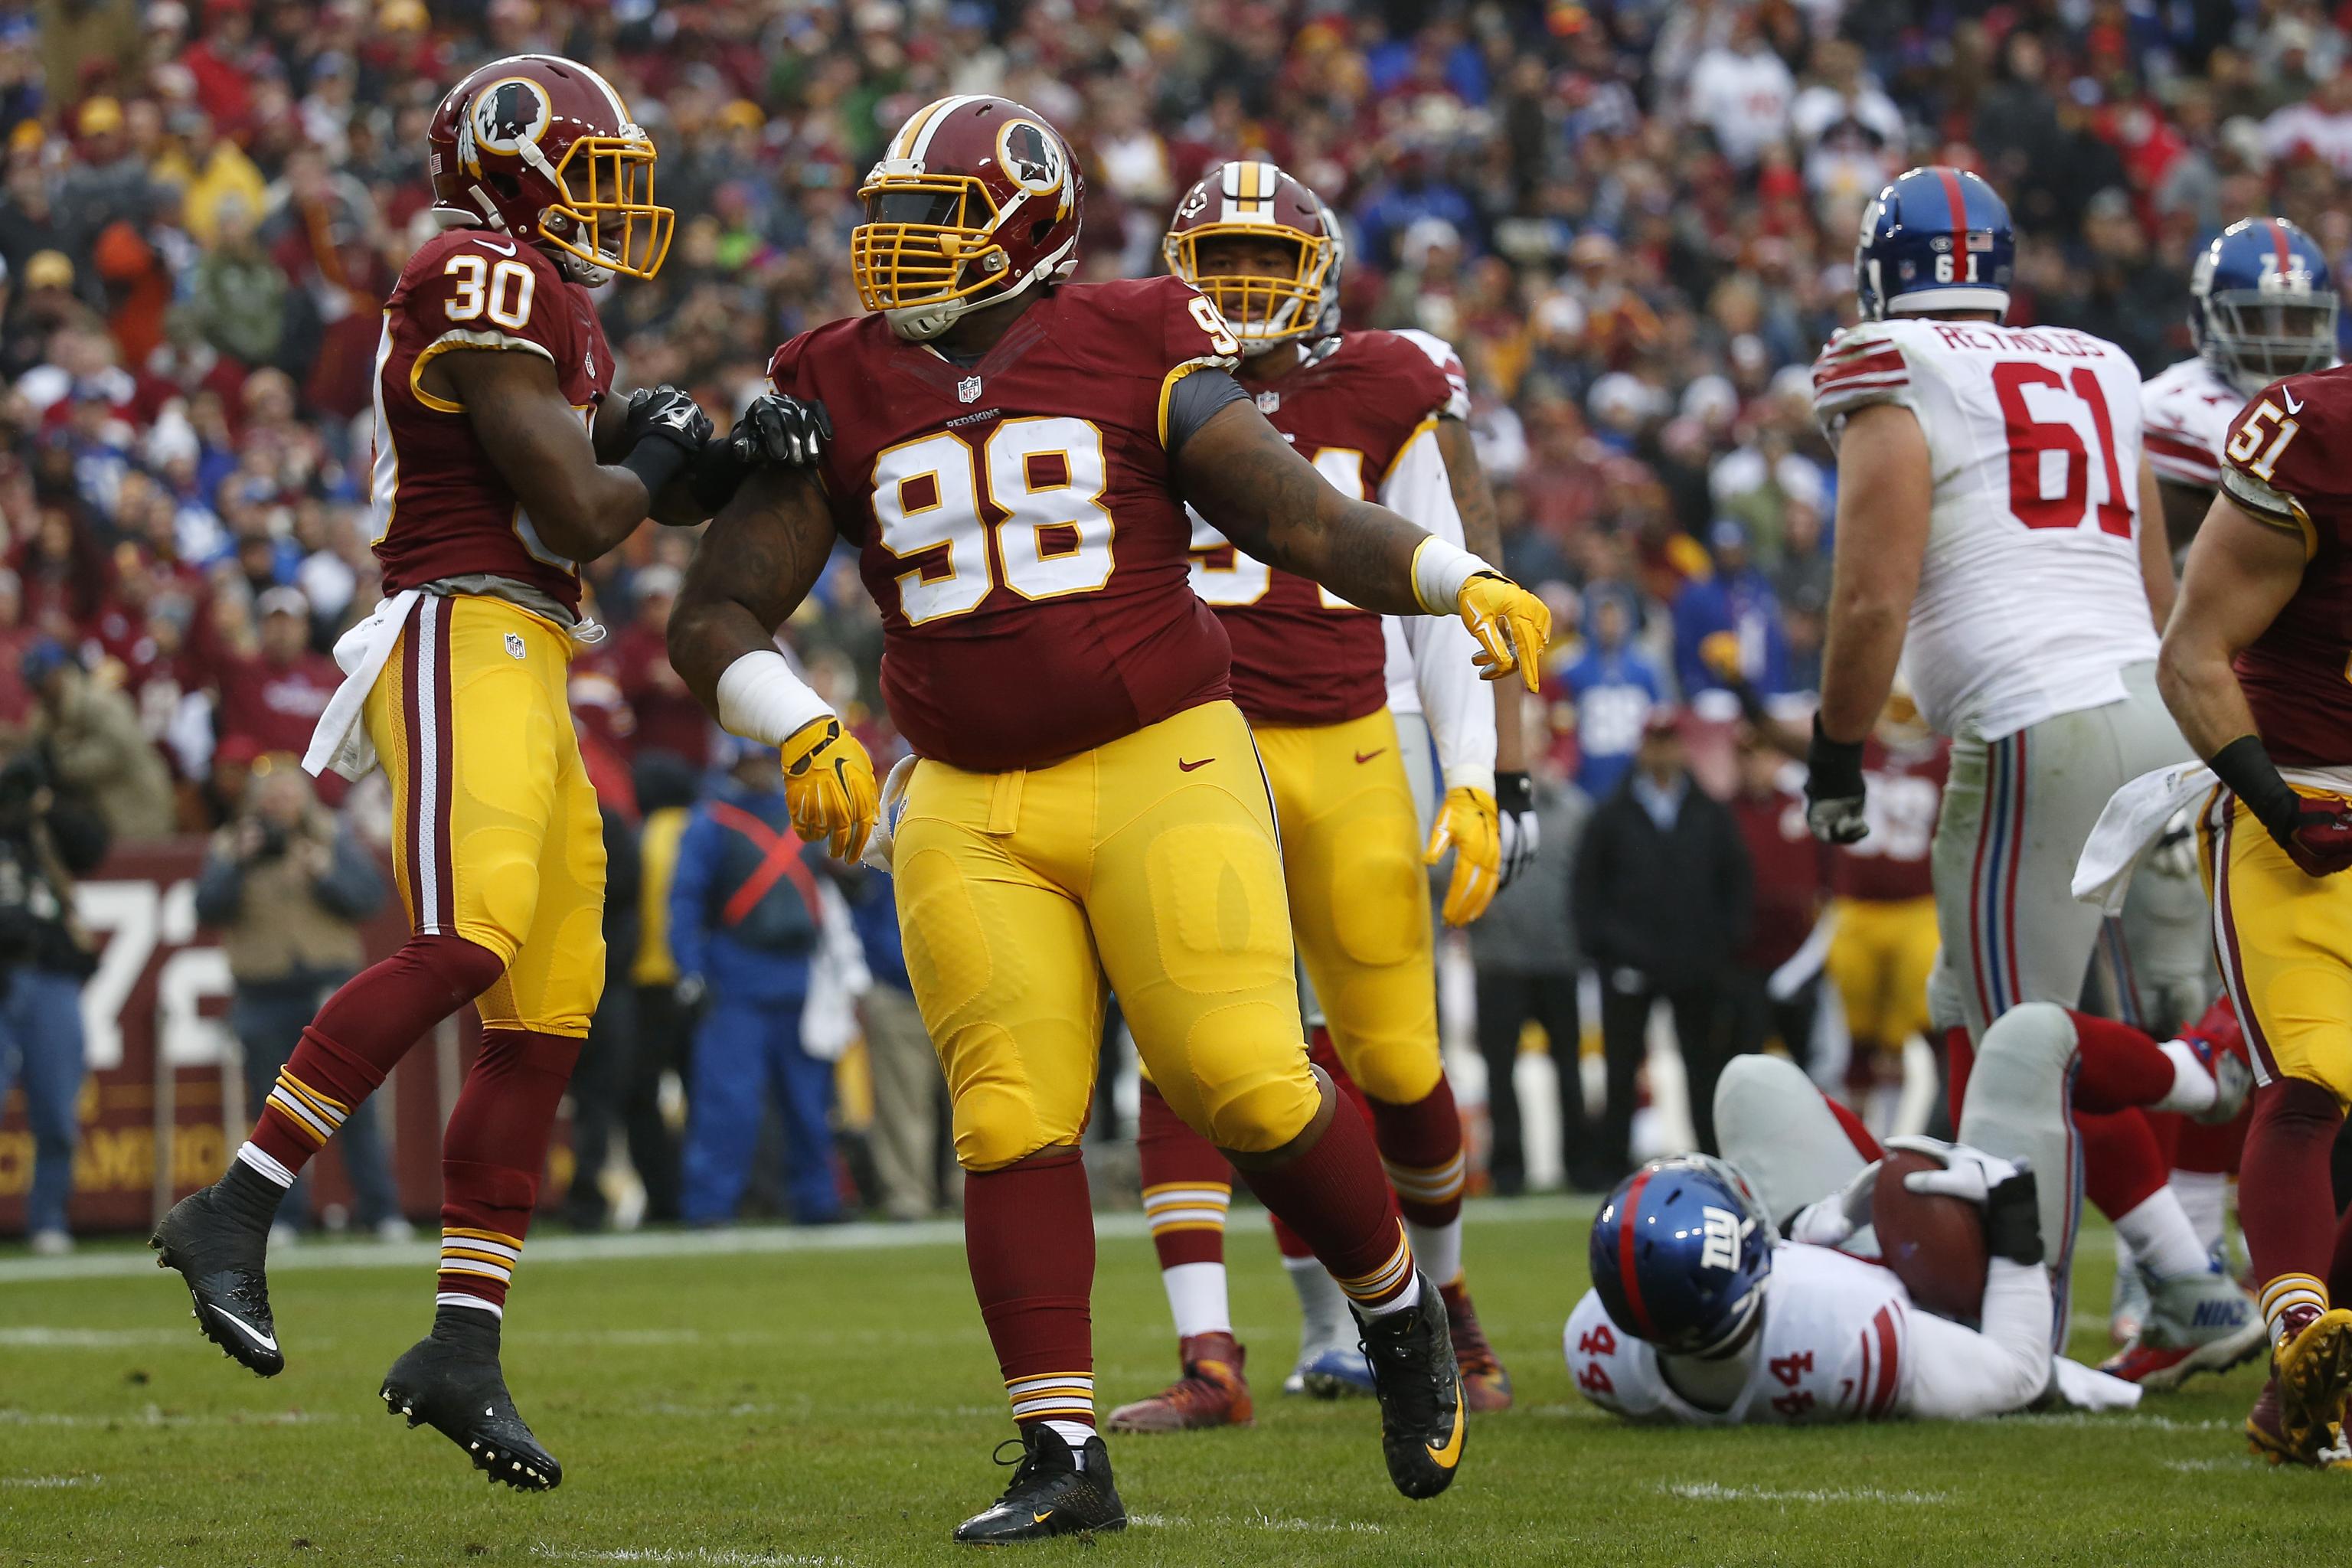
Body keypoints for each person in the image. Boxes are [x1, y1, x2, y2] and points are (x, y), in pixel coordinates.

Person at [665, 95, 1550, 1542]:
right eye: (884, 220)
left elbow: (1296, 517)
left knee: (1251, 1082)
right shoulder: (834, 375)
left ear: (1024, 230)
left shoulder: (1138, 332)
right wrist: (795, 713)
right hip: (964, 793)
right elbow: (719, 607)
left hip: (1161, 757)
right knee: (1010, 1114)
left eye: (929, 224)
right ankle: (1061, 1448)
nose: (891, 251)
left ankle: (1399, 1317)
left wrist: (1453, 582)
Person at [149, 54, 821, 1491]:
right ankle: (239, 1200)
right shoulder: (474, 270)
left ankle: (461, 1342)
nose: (613, 204)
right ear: (509, 167)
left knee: (550, 1010)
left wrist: (739, 456)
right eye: (588, 170)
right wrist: (664, 449)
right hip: (457, 632)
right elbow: (581, 498)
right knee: (466, 937)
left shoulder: (545, 300)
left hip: (530, 651)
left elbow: (615, 485)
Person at [1111, 162, 1512, 1436]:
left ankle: (1443, 1303)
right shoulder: (1129, 368)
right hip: (1191, 735)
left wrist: (1476, 775)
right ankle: (1207, 1351)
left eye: (1261, 261)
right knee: (1183, 1049)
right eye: (1214, 259)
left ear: (1320, 272)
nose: (1236, 285)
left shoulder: (1391, 376)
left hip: (1351, 734)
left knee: (1391, 1057)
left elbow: (1457, 591)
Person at [1802, 168, 2200, 1065]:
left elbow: (1871, 601)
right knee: (2148, 1016)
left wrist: (1835, 756)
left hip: (2037, 720)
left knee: (2010, 1047)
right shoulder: (2103, 363)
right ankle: (2173, 1209)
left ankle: (2029, 1205)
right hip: (2159, 713)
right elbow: (2157, 593)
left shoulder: (1895, 360)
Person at [1566, 988, 2255, 1429]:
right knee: (2032, 1041)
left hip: (1826, 1272)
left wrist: (1816, 1227)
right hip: (1971, 1303)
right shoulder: (1854, 1337)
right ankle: (2200, 1078)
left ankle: (2188, 1283)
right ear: (1753, 1263)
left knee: (1751, 1080)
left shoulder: (1603, 1344)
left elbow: (1742, 1291)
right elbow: (2017, 1373)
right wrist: (2012, 1220)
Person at [2140, 330, 2352, 1465]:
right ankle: (2301, 1336)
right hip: (2308, 801)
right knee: (2311, 1084)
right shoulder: (2316, 432)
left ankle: (2295, 1403)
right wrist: (2276, 800)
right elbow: (2193, 651)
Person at [194, 760, 400, 1240]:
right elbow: (207, 907)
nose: (281, 810)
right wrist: (236, 864)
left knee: (354, 1102)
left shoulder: (331, 835)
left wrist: (325, 873)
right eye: (272, 801)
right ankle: (281, 1215)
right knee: (273, 1112)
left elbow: (371, 898)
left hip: (330, 986)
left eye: (289, 799)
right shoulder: (232, 843)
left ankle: (380, 1207)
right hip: (262, 989)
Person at [668, 738, 840, 1227]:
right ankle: (709, 1207)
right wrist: (691, 970)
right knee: (729, 1103)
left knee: (811, 1103)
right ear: (733, 763)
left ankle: (819, 1200)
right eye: (752, 760)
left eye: (768, 759)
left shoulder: (806, 814)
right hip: (735, 977)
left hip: (802, 975)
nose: (763, 769)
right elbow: (685, 902)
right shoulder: (711, 821)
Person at [1572, 707, 1751, 1173]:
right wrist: (1605, 949)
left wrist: (1723, 944)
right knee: (1621, 1067)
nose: (1663, 751)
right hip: (1630, 962)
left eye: (1671, 740)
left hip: (1696, 962)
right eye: (1655, 741)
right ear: (1642, 746)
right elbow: (1586, 887)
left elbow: (1735, 880)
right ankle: (1609, 1163)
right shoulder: (1612, 814)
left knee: (1702, 1066)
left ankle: (1713, 1160)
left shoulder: (1708, 812)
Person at [2140, 219, 2337, 554]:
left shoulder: (2339, 388)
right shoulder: (2175, 408)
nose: (2281, 340)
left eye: (2299, 321)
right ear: (2209, 317)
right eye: (2258, 320)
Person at [1467, 744, 1591, 1194]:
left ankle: (1581, 1165)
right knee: (1500, 1071)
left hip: (1558, 957)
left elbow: (1594, 875)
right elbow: (1442, 870)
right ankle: (1507, 1169)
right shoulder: (1478, 806)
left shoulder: (1571, 807)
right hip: (1498, 959)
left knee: (1569, 1068)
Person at [0, 751, 106, 1253]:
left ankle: (47, 1219)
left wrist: (38, 800)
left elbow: (93, 845)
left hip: (50, 977)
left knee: (58, 1114)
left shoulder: (38, 825)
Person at [1821, 691, 1947, 1112]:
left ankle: (1900, 1134)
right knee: (1855, 1032)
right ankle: (1859, 1135)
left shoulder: (1947, 756)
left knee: (1922, 1026)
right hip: (1857, 909)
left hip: (1918, 908)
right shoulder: (1856, 747)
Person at [25, 638, 173, 840]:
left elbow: (120, 750)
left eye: (44, 680)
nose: (40, 689)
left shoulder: (99, 702)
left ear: (59, 672)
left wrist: (65, 763)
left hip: (134, 800)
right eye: (35, 685)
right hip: (99, 812)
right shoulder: (44, 714)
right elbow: (35, 746)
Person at [1557, 588, 1663, 801]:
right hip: (1589, 768)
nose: (1610, 626)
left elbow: (1658, 716)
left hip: (1634, 766)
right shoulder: (1571, 668)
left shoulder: (1645, 668)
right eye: (1604, 619)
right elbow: (1565, 721)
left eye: (1615, 619)